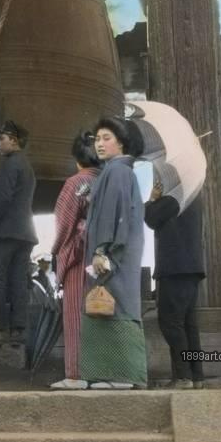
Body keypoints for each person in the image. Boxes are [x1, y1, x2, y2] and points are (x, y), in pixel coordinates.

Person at [80, 116, 147, 390]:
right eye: (97, 139)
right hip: (118, 251)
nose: (100, 143)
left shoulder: (117, 172)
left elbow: (114, 215)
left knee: (114, 306)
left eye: (106, 138)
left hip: (113, 253)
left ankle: (121, 376)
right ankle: (114, 375)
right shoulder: (117, 171)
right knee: (109, 306)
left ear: (121, 143)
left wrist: (101, 249)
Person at [49, 132, 101, 390]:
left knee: (75, 314)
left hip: (80, 255)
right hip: (104, 257)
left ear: (77, 158)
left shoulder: (77, 182)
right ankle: (101, 371)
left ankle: (76, 374)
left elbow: (64, 225)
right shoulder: (106, 180)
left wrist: (56, 250)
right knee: (101, 313)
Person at [144, 179, 206, 389]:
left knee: (170, 323)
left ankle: (182, 377)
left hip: (175, 269)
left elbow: (150, 217)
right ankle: (196, 377)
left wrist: (152, 199)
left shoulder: (175, 196)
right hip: (191, 268)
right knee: (188, 325)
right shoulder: (193, 193)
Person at [0, 120, 38, 346]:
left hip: (5, 233)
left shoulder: (9, 165)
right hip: (25, 234)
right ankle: (18, 330)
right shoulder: (26, 166)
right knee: (18, 280)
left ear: (13, 141)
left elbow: (0, 199)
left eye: (2, 139)